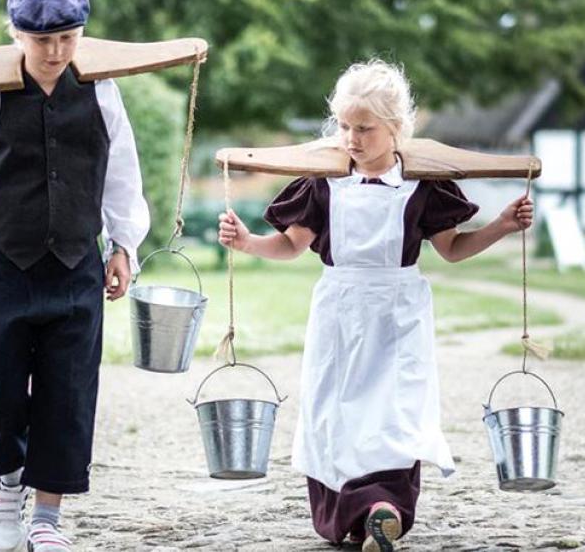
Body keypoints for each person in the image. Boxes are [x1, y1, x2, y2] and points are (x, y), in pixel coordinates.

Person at [217, 60, 534, 551]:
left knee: (394, 412)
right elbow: (292, 244)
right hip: (340, 311)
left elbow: (451, 249)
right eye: (344, 126)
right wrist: (248, 243)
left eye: (364, 128)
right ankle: (358, 513)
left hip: (397, 313)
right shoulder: (323, 183)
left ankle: (383, 508)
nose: (352, 138)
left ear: (396, 129)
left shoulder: (421, 186)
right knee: (337, 412)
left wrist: (501, 225)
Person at [0, 0, 149, 552]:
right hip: (5, 263)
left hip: (77, 264)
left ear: (82, 35)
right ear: (15, 35)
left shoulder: (102, 89)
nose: (55, 52)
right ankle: (7, 479)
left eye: (68, 38)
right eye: (42, 40)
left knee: (68, 391)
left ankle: (47, 517)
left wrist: (124, 245)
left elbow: (121, 172)